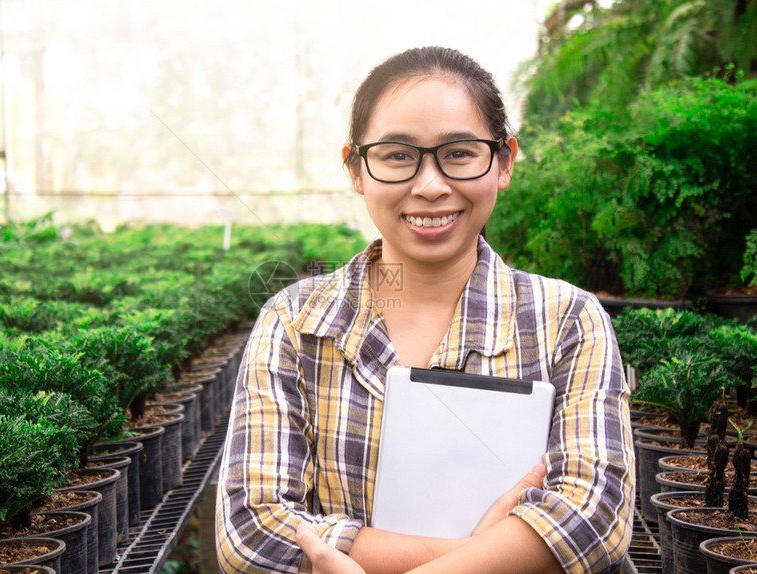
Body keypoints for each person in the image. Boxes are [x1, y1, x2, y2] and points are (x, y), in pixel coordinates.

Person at [215, 46, 634, 574]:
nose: (431, 186)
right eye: (397, 155)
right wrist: (495, 554)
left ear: (504, 162)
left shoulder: (567, 320)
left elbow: (594, 517)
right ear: (356, 169)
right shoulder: (295, 323)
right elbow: (253, 531)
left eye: (459, 153)